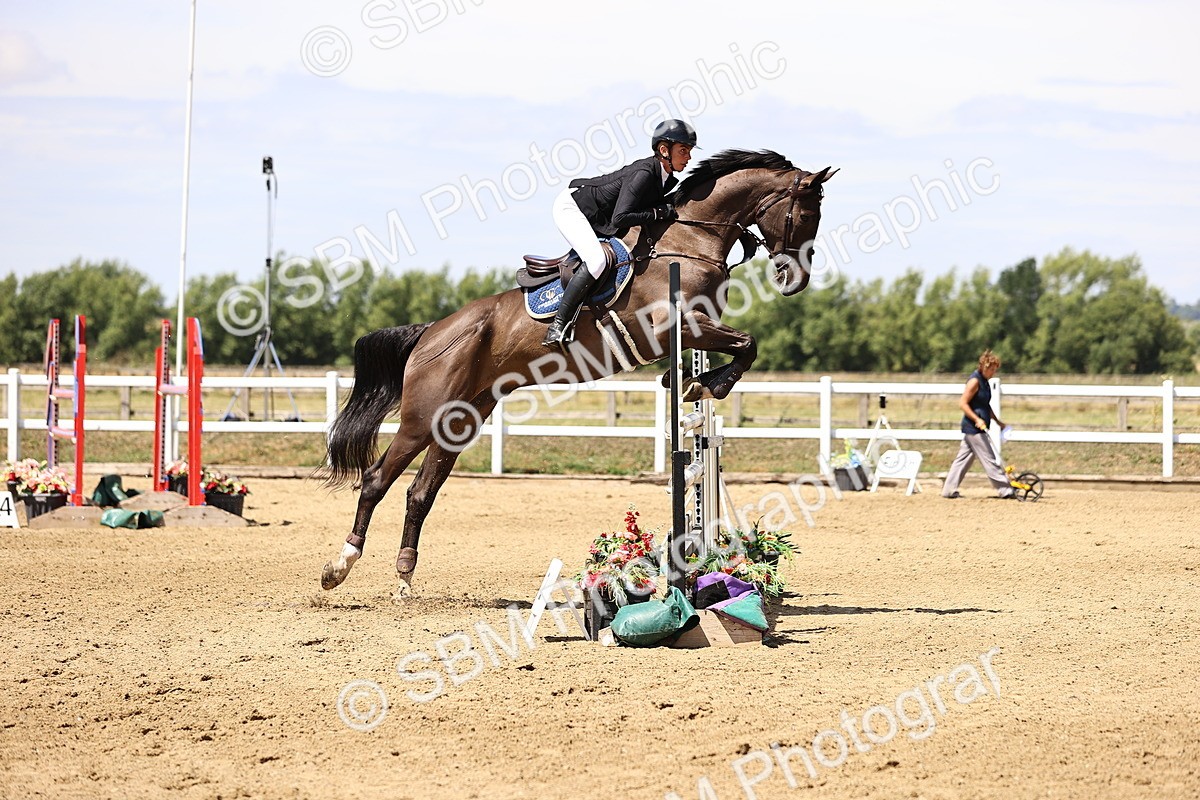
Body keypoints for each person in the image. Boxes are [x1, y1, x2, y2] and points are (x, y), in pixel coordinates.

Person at [542, 119, 697, 348]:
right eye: (683, 151)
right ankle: (557, 327)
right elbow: (621, 218)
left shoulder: (664, 178)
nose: (689, 157)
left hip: (597, 213)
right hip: (573, 207)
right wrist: (657, 213)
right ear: (664, 150)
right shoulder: (645, 173)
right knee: (597, 261)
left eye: (690, 151)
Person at [941, 349, 1016, 499]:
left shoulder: (986, 383)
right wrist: (977, 419)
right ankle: (1006, 489)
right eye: (992, 370)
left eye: (995, 370)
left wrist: (999, 423)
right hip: (973, 428)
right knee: (989, 459)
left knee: (962, 460)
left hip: (979, 427)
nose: (993, 373)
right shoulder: (974, 381)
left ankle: (948, 490)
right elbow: (963, 403)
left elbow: (985, 406)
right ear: (984, 367)